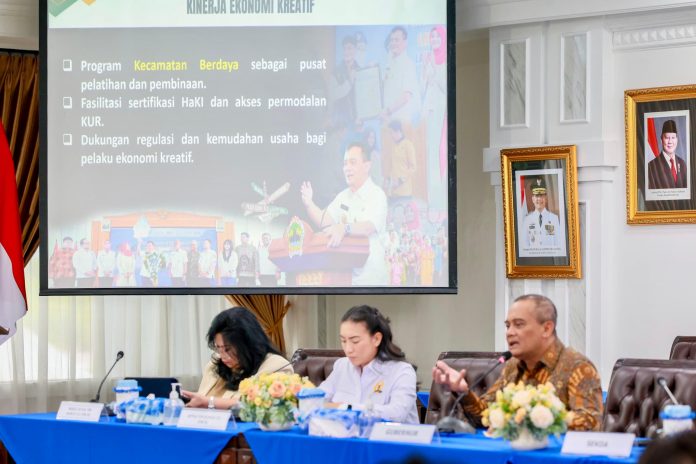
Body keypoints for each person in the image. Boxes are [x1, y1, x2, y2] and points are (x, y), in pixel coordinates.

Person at [432, 294, 603, 431]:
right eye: (508, 326)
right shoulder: (513, 366)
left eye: (519, 325)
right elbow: (485, 417)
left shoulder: (577, 367)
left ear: (546, 329)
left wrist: (532, 416)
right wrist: (463, 391)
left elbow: (590, 423)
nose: (509, 333)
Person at [301, 142, 388, 285]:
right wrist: (309, 204)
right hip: (345, 280)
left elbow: (368, 227)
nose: (347, 168)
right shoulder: (342, 197)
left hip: (371, 282)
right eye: (345, 164)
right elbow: (324, 221)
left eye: (352, 162)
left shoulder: (377, 195)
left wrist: (344, 228)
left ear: (367, 166)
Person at [319, 305, 418, 424]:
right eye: (343, 341)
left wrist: (346, 408)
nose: (348, 349)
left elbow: (396, 414)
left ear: (376, 339)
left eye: (355, 341)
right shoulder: (342, 366)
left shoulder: (401, 371)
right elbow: (317, 400)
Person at [181, 307, 292, 409]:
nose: (223, 356)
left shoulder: (276, 365)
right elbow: (201, 398)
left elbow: (260, 405)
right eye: (218, 348)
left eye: (228, 349)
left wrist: (209, 402)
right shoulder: (214, 365)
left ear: (248, 343)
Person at [382, 26, 420, 124]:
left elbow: (406, 96)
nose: (393, 43)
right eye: (392, 40)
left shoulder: (408, 64)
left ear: (405, 43)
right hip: (388, 121)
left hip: (401, 123)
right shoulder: (389, 65)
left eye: (397, 40)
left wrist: (387, 112)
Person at [522, 178, 562, 248]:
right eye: (537, 196)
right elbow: (525, 245)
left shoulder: (554, 218)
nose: (539, 199)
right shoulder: (527, 220)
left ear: (546, 198)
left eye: (542, 195)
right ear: (533, 199)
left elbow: (558, 243)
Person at [648, 119, 688, 189]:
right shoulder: (651, 166)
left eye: (673, 137)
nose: (670, 141)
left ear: (677, 140)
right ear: (661, 140)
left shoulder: (682, 164)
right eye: (667, 138)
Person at [387, 119, 417, 201]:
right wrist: (389, 180)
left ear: (398, 131)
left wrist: (400, 180)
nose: (391, 135)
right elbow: (393, 167)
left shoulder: (408, 145)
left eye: (391, 133)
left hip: (404, 192)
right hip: (393, 192)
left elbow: (413, 168)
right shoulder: (394, 146)